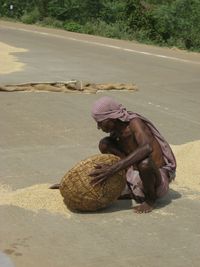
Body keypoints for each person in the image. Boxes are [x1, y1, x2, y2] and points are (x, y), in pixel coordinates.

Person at [89, 96, 176, 214]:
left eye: (101, 123)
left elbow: (147, 148)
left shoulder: (134, 123)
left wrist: (113, 169)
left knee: (144, 163)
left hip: (156, 178)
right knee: (105, 144)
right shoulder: (116, 131)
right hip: (133, 173)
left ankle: (150, 199)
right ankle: (128, 187)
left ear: (112, 118)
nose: (99, 127)